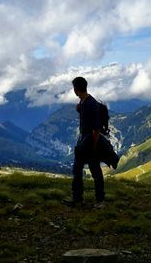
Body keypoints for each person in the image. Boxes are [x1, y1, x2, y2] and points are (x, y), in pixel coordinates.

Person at [63, 76, 105, 208]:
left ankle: (98, 201)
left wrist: (93, 146)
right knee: (79, 169)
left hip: (89, 143)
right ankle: (79, 198)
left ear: (76, 89)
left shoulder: (90, 104)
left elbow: (96, 129)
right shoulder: (85, 102)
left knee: (94, 171)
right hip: (85, 142)